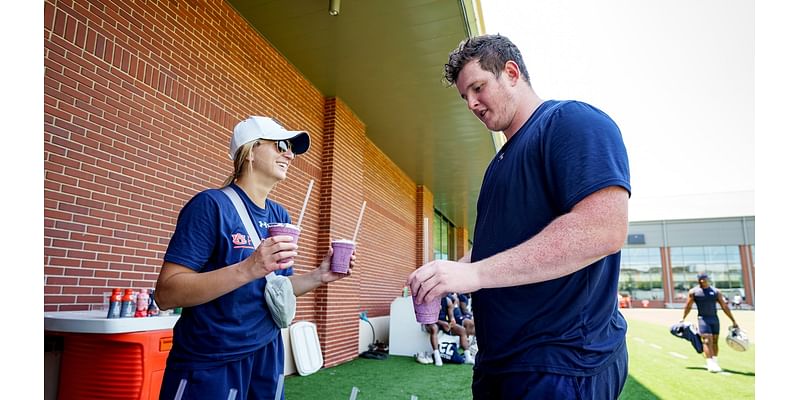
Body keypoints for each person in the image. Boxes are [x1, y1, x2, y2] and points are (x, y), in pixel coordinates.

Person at [408, 34, 630, 399]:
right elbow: (495, 250)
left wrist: (475, 273)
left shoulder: (570, 121)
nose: (472, 104)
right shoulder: (499, 163)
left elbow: (602, 229)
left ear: (511, 72)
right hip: (500, 362)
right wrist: (448, 273)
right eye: (465, 96)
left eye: (478, 88)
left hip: (560, 362)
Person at [155, 116, 355, 400]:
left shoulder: (279, 216)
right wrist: (248, 268)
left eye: (291, 149)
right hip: (210, 360)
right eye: (281, 145)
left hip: (267, 354)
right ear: (250, 151)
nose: (290, 154)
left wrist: (319, 275)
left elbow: (279, 287)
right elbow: (166, 293)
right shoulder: (210, 205)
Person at [680, 273, 738, 373]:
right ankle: (710, 363)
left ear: (707, 279)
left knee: (715, 341)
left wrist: (733, 321)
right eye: (700, 279)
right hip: (703, 319)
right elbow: (688, 306)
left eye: (704, 279)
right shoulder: (694, 292)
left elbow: (724, 307)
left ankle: (715, 362)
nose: (702, 281)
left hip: (714, 319)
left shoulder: (716, 292)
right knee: (707, 341)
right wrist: (683, 318)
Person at [423, 294, 475, 366]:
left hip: (443, 323)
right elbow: (428, 317)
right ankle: (437, 356)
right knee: (434, 328)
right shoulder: (430, 300)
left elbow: (451, 316)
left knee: (462, 330)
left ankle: (467, 357)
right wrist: (443, 323)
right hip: (432, 322)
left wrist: (452, 322)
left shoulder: (447, 300)